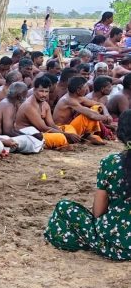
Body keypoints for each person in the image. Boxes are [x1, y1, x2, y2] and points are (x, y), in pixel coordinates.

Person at [45, 110, 131, 259]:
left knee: (64, 208)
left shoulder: (110, 163)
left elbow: (98, 212)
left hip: (116, 245)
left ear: (120, 135)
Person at [15, 76, 79, 150]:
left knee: (68, 127)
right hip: (31, 135)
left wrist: (64, 132)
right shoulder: (29, 106)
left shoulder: (45, 104)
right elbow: (43, 128)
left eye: (46, 91)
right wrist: (66, 135)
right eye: (41, 91)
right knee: (60, 137)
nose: (44, 95)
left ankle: (63, 142)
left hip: (42, 132)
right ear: (34, 90)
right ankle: (62, 143)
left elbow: (51, 124)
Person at [0, 82, 45, 154]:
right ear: (19, 96)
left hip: (2, 136)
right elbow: (7, 131)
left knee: (31, 130)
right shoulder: (8, 105)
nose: (26, 97)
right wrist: (29, 136)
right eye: (25, 95)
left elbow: (12, 129)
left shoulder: (10, 103)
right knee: (28, 140)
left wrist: (30, 135)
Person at [52, 76, 113, 143]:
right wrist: (105, 118)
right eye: (85, 87)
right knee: (86, 116)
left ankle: (86, 135)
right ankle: (84, 136)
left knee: (96, 108)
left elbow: (99, 104)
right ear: (78, 90)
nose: (87, 89)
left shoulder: (78, 97)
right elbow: (92, 115)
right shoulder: (68, 100)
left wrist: (107, 114)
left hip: (70, 127)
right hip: (63, 130)